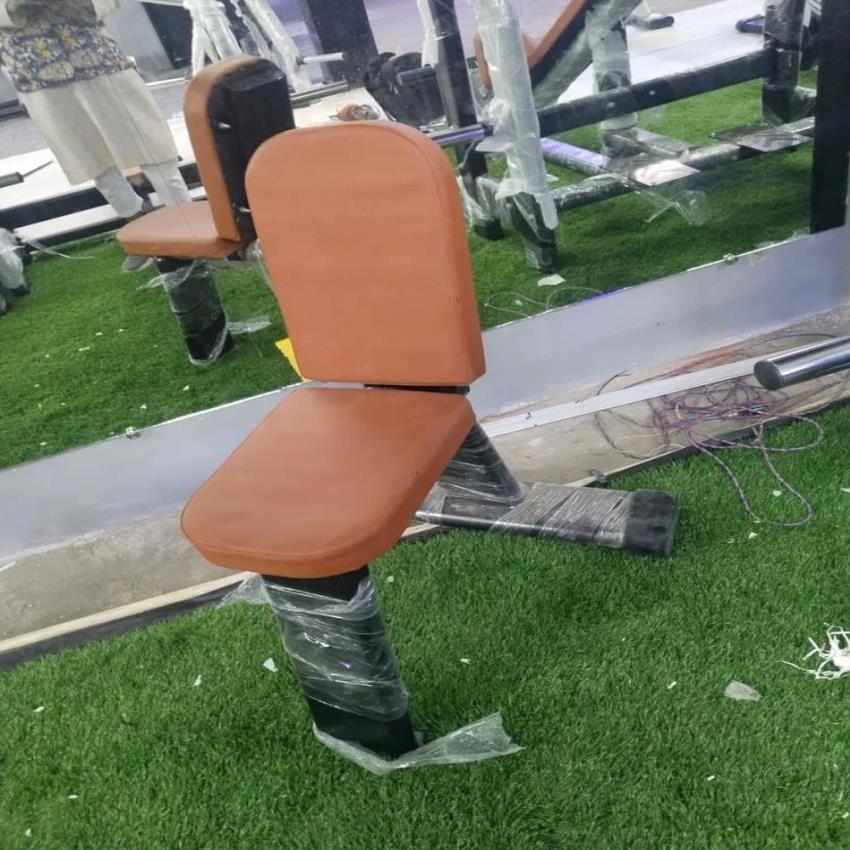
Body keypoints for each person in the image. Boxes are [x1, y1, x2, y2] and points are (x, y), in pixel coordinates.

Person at [0, 0, 193, 272]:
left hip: (96, 56)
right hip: (34, 70)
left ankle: (189, 226)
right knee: (87, 155)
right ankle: (142, 234)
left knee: (148, 141)